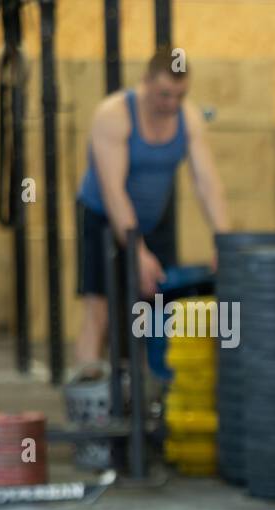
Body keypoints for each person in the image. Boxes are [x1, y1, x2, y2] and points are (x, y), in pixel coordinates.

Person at [74, 48, 230, 370]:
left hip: (153, 221)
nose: (171, 104)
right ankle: (89, 394)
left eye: (180, 95)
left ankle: (152, 390)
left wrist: (223, 241)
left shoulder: (188, 118)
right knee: (100, 309)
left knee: (157, 304)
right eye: (164, 95)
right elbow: (113, 192)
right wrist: (137, 252)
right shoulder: (113, 114)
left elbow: (207, 183)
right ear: (145, 82)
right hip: (102, 218)